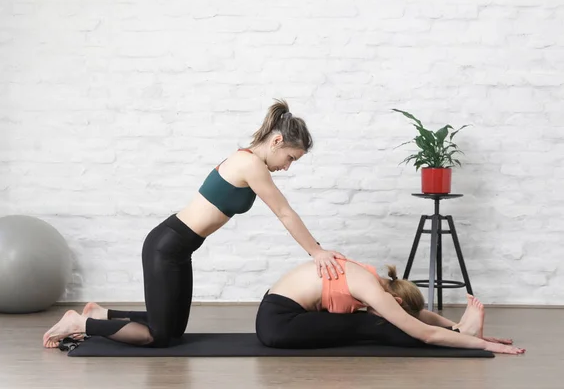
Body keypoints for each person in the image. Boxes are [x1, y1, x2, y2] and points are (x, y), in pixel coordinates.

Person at [43, 99, 347, 348]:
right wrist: (316, 252)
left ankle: (100, 313)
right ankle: (81, 323)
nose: (288, 166)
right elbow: (284, 212)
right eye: (291, 157)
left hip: (177, 249)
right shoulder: (250, 164)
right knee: (158, 336)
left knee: (174, 329)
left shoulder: (247, 160)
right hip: (166, 247)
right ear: (277, 141)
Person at [255, 258, 525, 355]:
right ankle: (462, 335)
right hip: (280, 325)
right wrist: (486, 345)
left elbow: (416, 315)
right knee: (372, 324)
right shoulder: (373, 290)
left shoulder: (374, 278)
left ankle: (462, 332)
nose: (391, 312)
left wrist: (455, 326)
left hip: (274, 314)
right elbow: (424, 332)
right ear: (395, 301)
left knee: (373, 320)